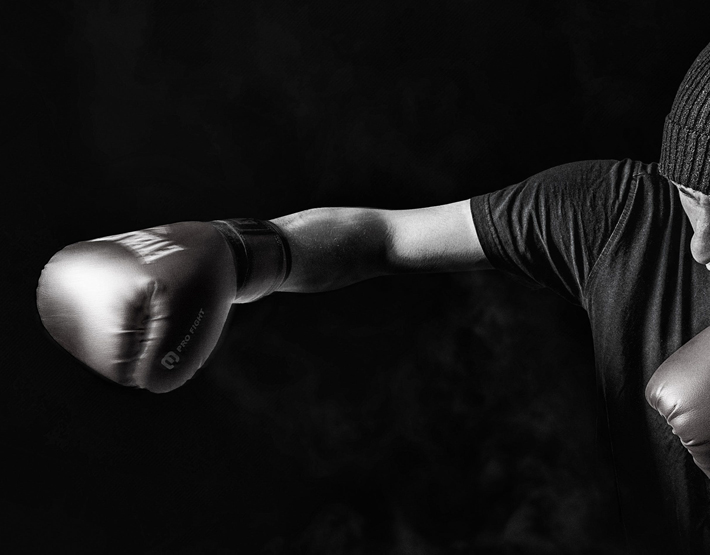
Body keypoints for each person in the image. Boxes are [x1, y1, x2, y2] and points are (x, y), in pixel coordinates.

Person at [36, 40, 710, 554]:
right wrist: (241, 254)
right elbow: (381, 238)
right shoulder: (616, 214)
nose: (700, 244)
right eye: (691, 200)